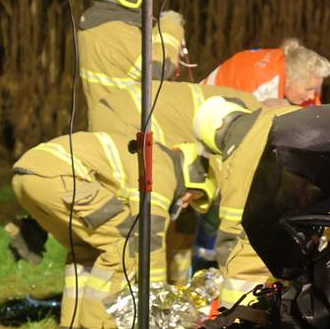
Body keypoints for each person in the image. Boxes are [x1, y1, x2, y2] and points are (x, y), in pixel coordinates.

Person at [10, 132, 194, 329]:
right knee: (122, 244)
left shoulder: (149, 156)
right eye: (194, 196)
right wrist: (157, 302)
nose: (187, 203)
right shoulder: (163, 169)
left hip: (26, 175)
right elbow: (148, 238)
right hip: (59, 176)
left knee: (85, 249)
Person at [89, 81, 261, 283]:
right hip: (130, 124)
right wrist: (155, 290)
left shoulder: (243, 113)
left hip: (116, 113)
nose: (188, 203)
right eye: (194, 197)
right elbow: (150, 232)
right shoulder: (250, 130)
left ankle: (162, 288)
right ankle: (135, 294)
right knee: (130, 237)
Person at [191, 98, 304, 306]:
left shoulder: (238, 158)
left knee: (242, 269)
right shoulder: (281, 113)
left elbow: (231, 234)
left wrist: (227, 290)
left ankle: (236, 326)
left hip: (297, 232)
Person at [78, 0, 184, 128]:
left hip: (108, 125)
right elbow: (159, 69)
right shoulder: (116, 32)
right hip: (128, 132)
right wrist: (171, 26)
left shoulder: (94, 24)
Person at [202, 38, 330, 106]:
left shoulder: (295, 70)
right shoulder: (262, 82)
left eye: (315, 89)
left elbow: (313, 111)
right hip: (206, 104)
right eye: (308, 89)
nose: (312, 96)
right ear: (289, 79)